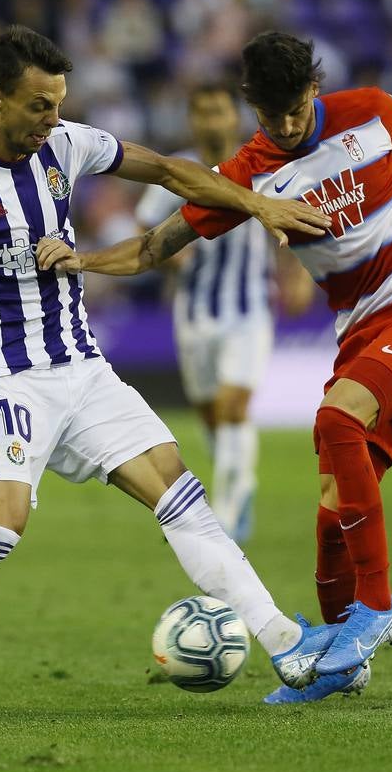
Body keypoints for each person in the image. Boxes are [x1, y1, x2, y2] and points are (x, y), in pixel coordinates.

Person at [36, 30, 392, 705]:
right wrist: (84, 260)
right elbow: (158, 243)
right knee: (333, 505)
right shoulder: (248, 171)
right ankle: (339, 663)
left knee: (338, 420)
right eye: (269, 116)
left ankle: (378, 606)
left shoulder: (369, 110)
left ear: (315, 89)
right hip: (362, 332)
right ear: (254, 107)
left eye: (294, 111)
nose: (283, 127)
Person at [0, 25, 337, 719]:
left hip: (83, 370)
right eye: (38, 107)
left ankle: (286, 642)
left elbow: (176, 174)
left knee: (182, 496)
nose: (53, 120)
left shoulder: (66, 144)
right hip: (5, 377)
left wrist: (258, 202)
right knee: (0, 529)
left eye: (59, 104)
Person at [133, 82, 313, 545]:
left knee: (235, 407)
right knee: (211, 414)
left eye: (219, 112)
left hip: (250, 307)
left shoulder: (265, 163)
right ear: (192, 119)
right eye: (203, 113)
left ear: (234, 117)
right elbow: (145, 220)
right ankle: (241, 479)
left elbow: (293, 217)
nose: (212, 121)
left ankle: (228, 515)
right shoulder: (178, 170)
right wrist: (173, 257)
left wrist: (296, 277)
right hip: (193, 310)